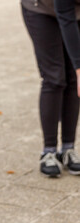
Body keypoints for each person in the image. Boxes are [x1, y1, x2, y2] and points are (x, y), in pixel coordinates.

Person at [21, 0, 80, 177]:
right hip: (41, 9)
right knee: (54, 77)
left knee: (72, 79)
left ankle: (68, 148)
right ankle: (49, 151)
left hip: (75, 11)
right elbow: (64, 11)